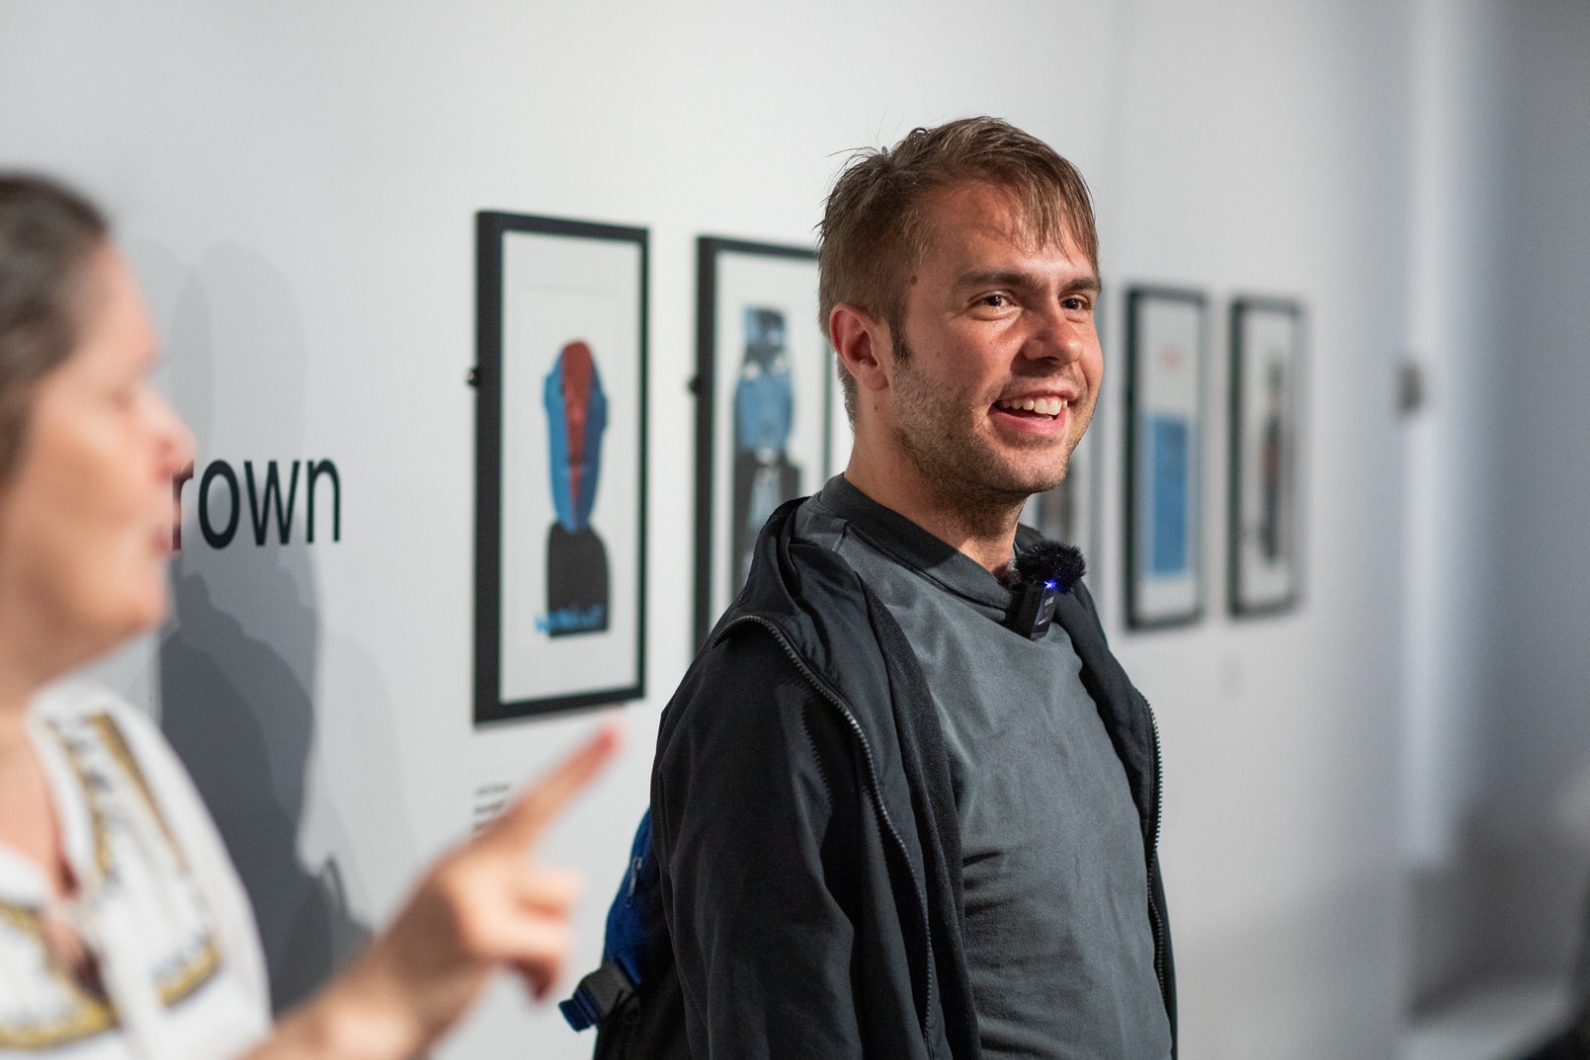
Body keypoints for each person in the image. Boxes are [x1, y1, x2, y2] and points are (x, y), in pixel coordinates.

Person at [0, 173, 618, 1059]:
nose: (178, 444)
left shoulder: (116, 762)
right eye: (122, 391)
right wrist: (373, 1008)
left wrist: (388, 1001)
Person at [651, 118, 1176, 1059]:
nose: (1059, 346)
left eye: (1078, 300)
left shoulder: (1059, 622)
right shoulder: (783, 687)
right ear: (864, 347)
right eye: (996, 301)